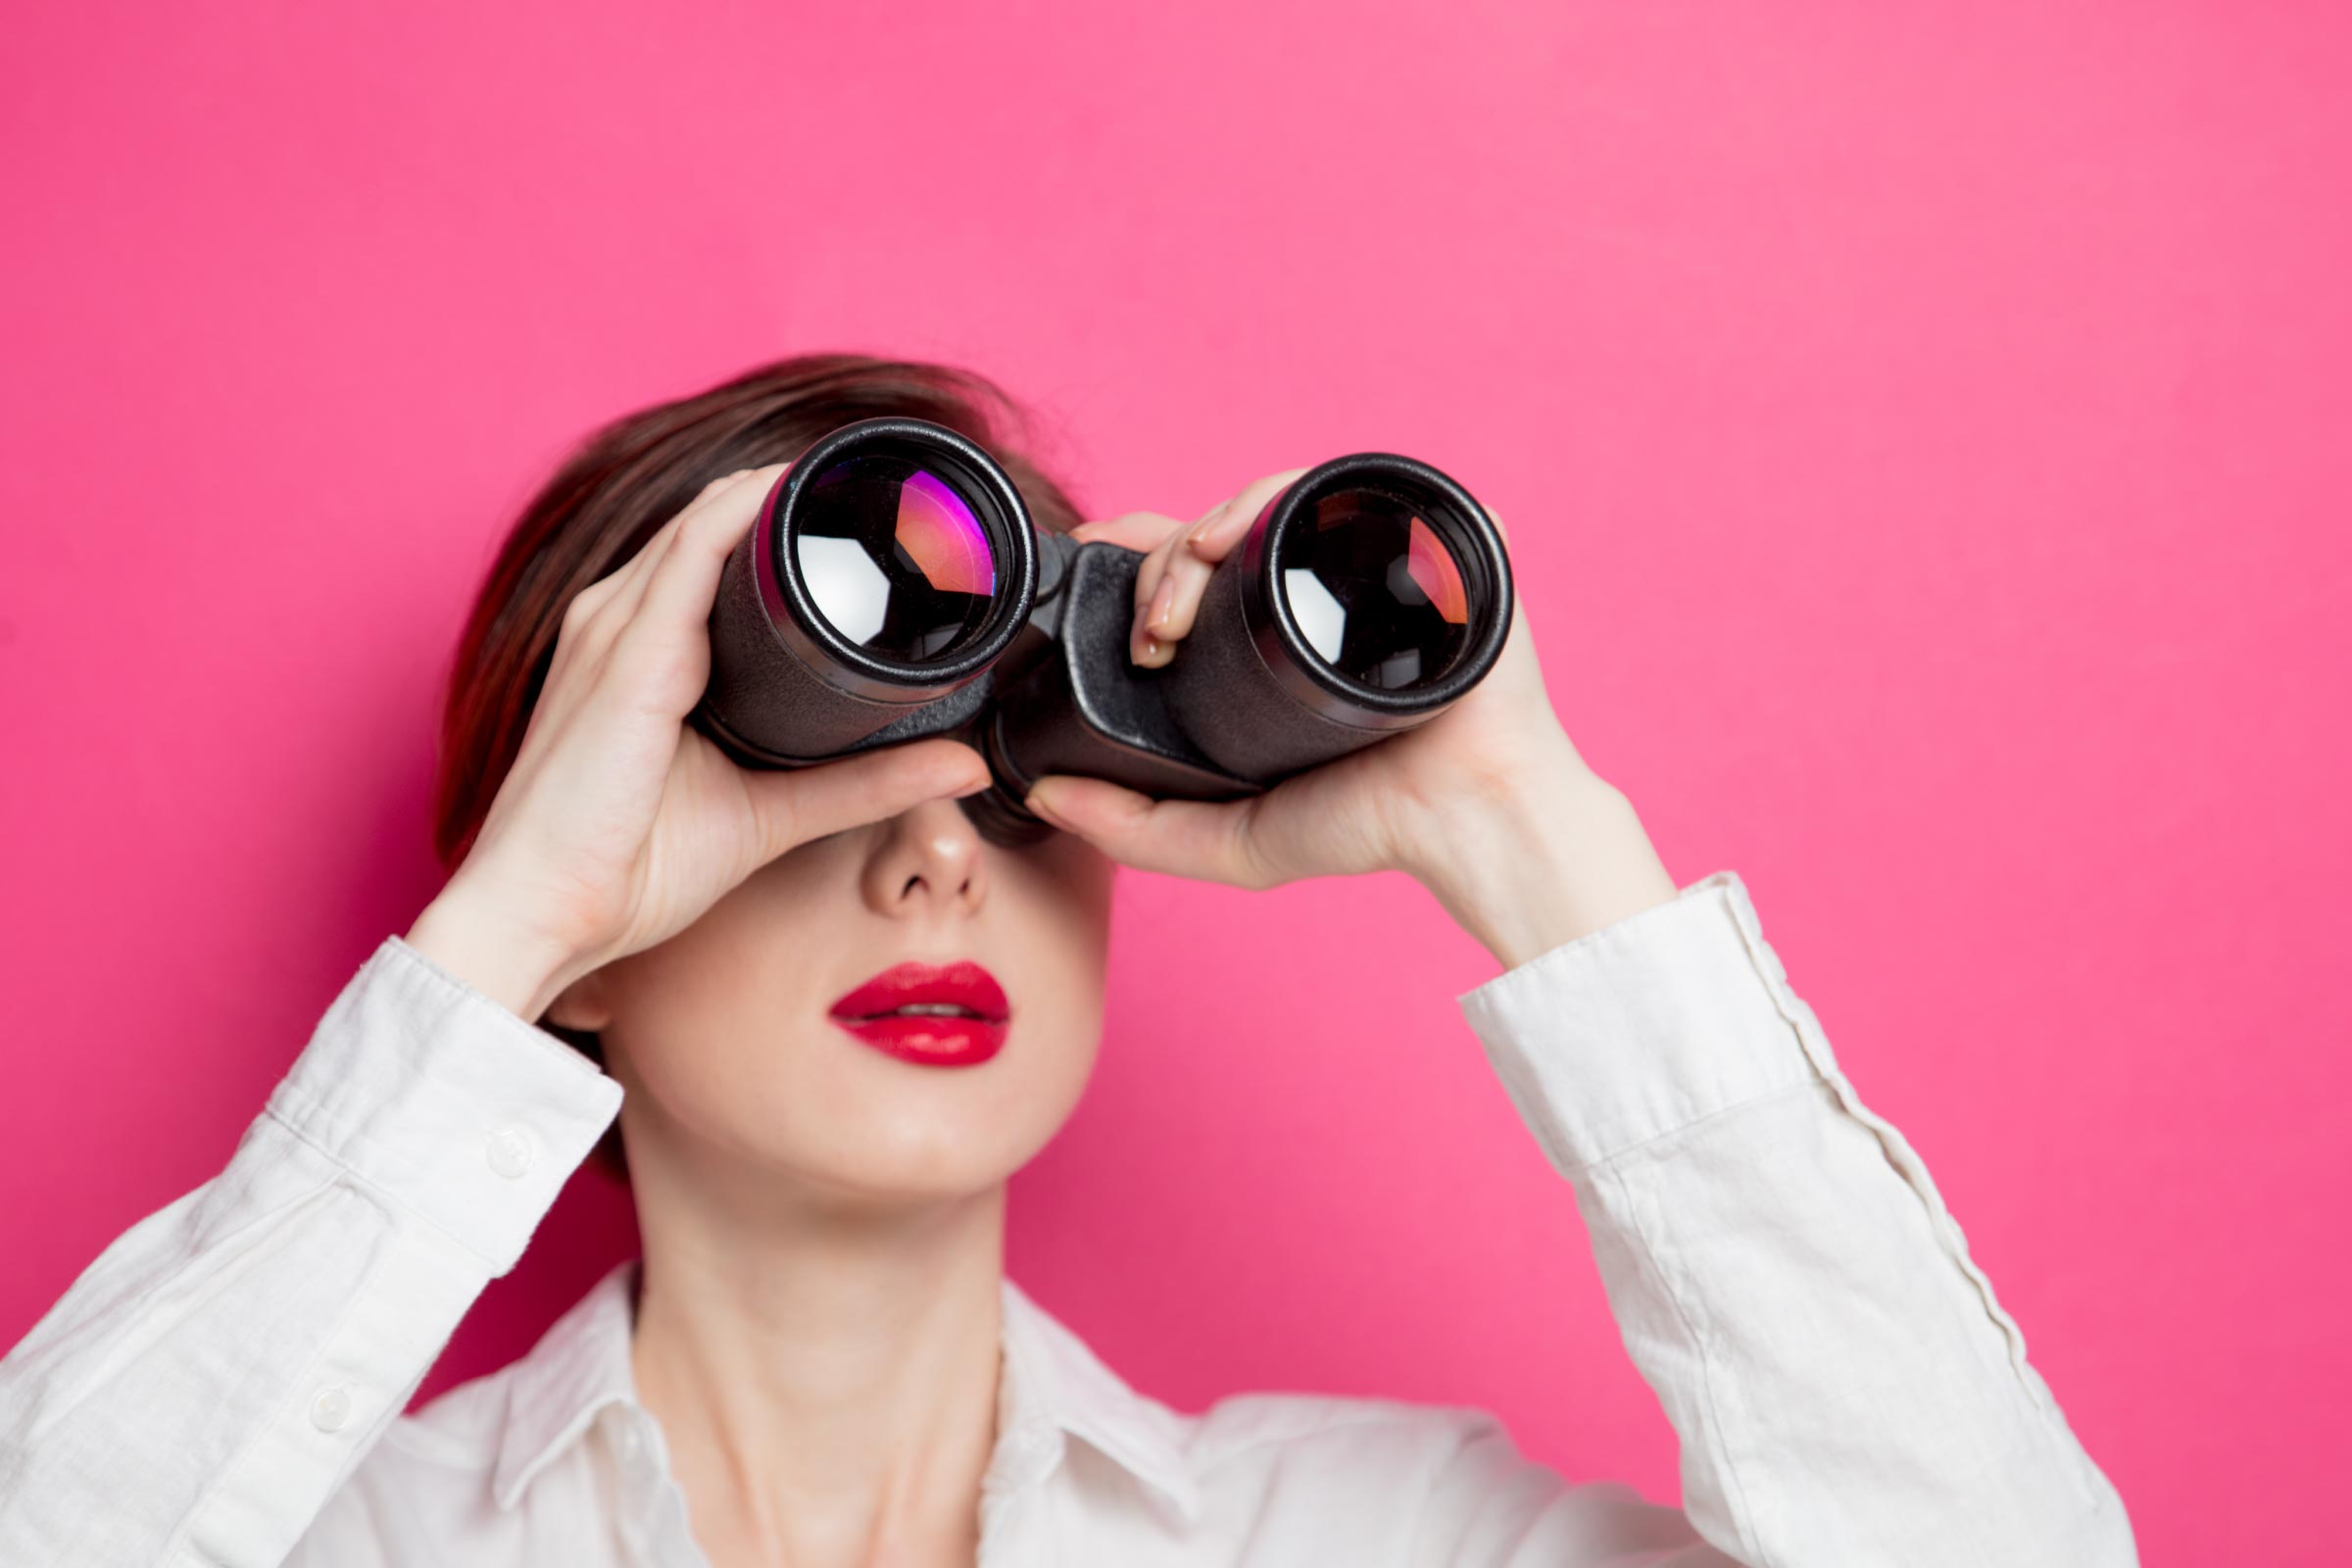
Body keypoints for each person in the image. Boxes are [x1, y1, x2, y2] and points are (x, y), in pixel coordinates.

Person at [0, 355, 2137, 1567]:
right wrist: (491, 943)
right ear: (591, 925)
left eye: (1016, 779)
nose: (937, 851)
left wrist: (1526, 829)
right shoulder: (304, 1530)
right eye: (801, 772)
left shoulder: (1376, 1539)